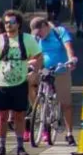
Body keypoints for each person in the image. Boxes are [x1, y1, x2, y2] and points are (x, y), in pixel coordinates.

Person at [0, 10, 42, 155]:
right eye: (6, 22)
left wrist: (35, 72)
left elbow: (39, 56)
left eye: (11, 22)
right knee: (2, 116)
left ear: (18, 24)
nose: (8, 25)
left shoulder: (27, 39)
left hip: (20, 83)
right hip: (2, 84)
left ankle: (20, 147)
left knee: (19, 115)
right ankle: (1, 146)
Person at [29, 17, 77, 146]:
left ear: (46, 26)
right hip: (43, 69)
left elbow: (68, 47)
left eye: (39, 32)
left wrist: (71, 59)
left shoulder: (59, 32)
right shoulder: (37, 38)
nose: (38, 35)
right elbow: (31, 53)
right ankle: (38, 109)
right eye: (36, 34)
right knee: (27, 81)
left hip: (60, 70)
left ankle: (69, 133)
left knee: (66, 103)